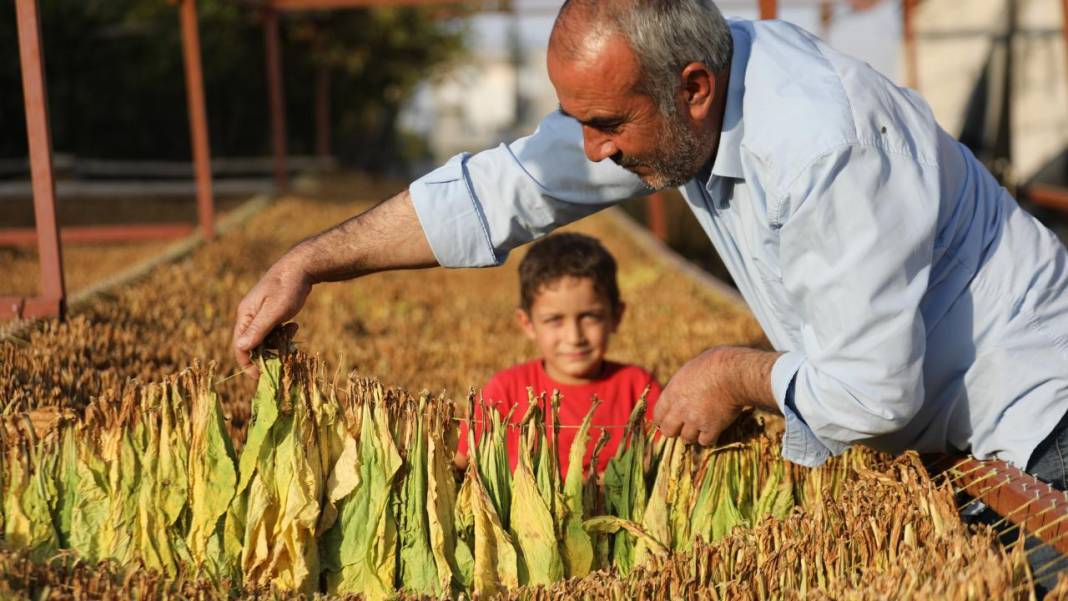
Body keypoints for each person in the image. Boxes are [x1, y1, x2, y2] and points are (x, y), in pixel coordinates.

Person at [232, 0, 1068, 490]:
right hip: (952, 421)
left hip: (1039, 422)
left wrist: (731, 373)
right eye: (579, 121)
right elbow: (507, 187)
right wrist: (311, 259)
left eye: (605, 125)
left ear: (693, 91)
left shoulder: (823, 144)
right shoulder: (669, 99)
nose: (593, 152)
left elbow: (875, 393)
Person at [452, 232, 661, 476]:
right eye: (554, 320)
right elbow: (460, 467)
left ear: (616, 316)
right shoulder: (505, 392)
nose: (574, 337)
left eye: (589, 317)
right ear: (527, 323)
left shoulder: (638, 389)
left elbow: (672, 465)